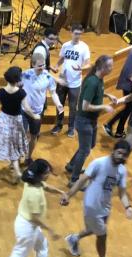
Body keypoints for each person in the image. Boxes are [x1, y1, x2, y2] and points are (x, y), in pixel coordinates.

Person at [61, 141, 132, 257]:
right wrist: (69, 195)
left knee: (94, 229)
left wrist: (128, 207)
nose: (121, 157)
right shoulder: (99, 163)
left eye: (124, 155)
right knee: (102, 235)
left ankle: (74, 238)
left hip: (105, 206)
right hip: (91, 205)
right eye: (119, 153)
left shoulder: (122, 171)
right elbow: (82, 180)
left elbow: (122, 193)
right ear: (113, 150)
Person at [0, 159, 65, 257]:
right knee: (19, 256)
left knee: (42, 246)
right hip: (28, 227)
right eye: (46, 173)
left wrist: (61, 192)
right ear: (39, 175)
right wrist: (50, 230)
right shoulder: (34, 194)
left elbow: (47, 187)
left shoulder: (33, 182)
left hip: (28, 224)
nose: (48, 174)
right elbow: (35, 218)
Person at [64, 55, 115, 185]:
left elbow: (95, 93)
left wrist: (107, 95)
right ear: (102, 67)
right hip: (84, 120)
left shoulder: (99, 79)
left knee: (89, 146)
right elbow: (85, 106)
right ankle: (74, 180)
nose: (112, 68)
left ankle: (71, 165)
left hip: (91, 121)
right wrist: (104, 106)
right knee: (85, 150)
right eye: (109, 66)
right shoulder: (93, 81)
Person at [0, 66, 35, 182]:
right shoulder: (21, 93)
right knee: (14, 148)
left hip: (2, 120)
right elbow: (27, 108)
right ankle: (18, 174)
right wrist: (35, 116)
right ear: (17, 80)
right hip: (15, 121)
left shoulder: (0, 91)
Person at [22, 53, 64, 166]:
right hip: (24, 111)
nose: (42, 67)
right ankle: (15, 159)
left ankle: (28, 157)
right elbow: (15, 85)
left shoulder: (47, 76)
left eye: (44, 65)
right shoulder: (25, 74)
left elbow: (53, 93)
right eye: (39, 65)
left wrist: (59, 104)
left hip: (37, 112)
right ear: (33, 64)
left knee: (34, 135)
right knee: (23, 135)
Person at [52, 23, 92, 137]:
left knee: (73, 107)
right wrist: (56, 66)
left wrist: (81, 68)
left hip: (75, 83)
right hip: (62, 80)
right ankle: (58, 125)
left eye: (79, 34)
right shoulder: (65, 45)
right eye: (75, 34)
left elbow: (88, 64)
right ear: (71, 33)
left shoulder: (84, 47)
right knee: (59, 104)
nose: (77, 36)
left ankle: (71, 127)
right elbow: (61, 59)